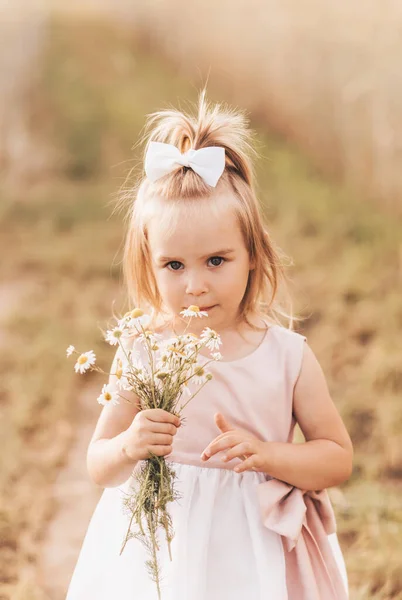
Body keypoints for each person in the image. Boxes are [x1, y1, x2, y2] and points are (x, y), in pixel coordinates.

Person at [65, 89, 353, 600]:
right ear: (149, 266)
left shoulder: (286, 356)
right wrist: (130, 444)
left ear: (253, 258)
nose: (195, 285)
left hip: (256, 552)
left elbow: (336, 458)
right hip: (162, 552)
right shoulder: (143, 348)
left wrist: (268, 454)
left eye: (216, 261)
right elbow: (98, 463)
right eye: (174, 266)